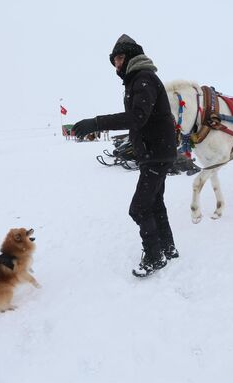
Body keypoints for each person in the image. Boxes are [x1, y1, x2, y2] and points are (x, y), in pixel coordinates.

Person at [72, 34, 178, 277]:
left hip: (156, 153)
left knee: (139, 208)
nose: (116, 64)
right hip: (155, 152)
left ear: (130, 56)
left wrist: (97, 123)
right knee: (155, 203)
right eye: (114, 60)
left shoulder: (143, 79)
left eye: (119, 58)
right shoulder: (137, 81)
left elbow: (137, 117)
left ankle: (154, 257)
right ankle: (168, 249)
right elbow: (142, 120)